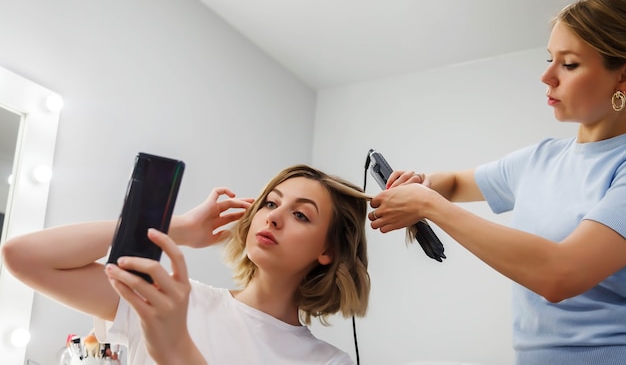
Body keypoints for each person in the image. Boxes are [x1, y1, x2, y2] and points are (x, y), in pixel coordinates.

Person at [368, 0, 626, 365]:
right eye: (550, 59)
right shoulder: (541, 158)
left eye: (568, 64)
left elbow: (560, 275)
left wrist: (428, 205)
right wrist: (423, 184)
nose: (546, 76)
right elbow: (455, 183)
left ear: (622, 78)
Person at [1, 164, 370, 365]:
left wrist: (174, 348)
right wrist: (178, 228)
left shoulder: (326, 362)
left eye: (302, 216)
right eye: (271, 204)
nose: (273, 218)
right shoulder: (171, 301)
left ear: (329, 250)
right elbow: (24, 256)